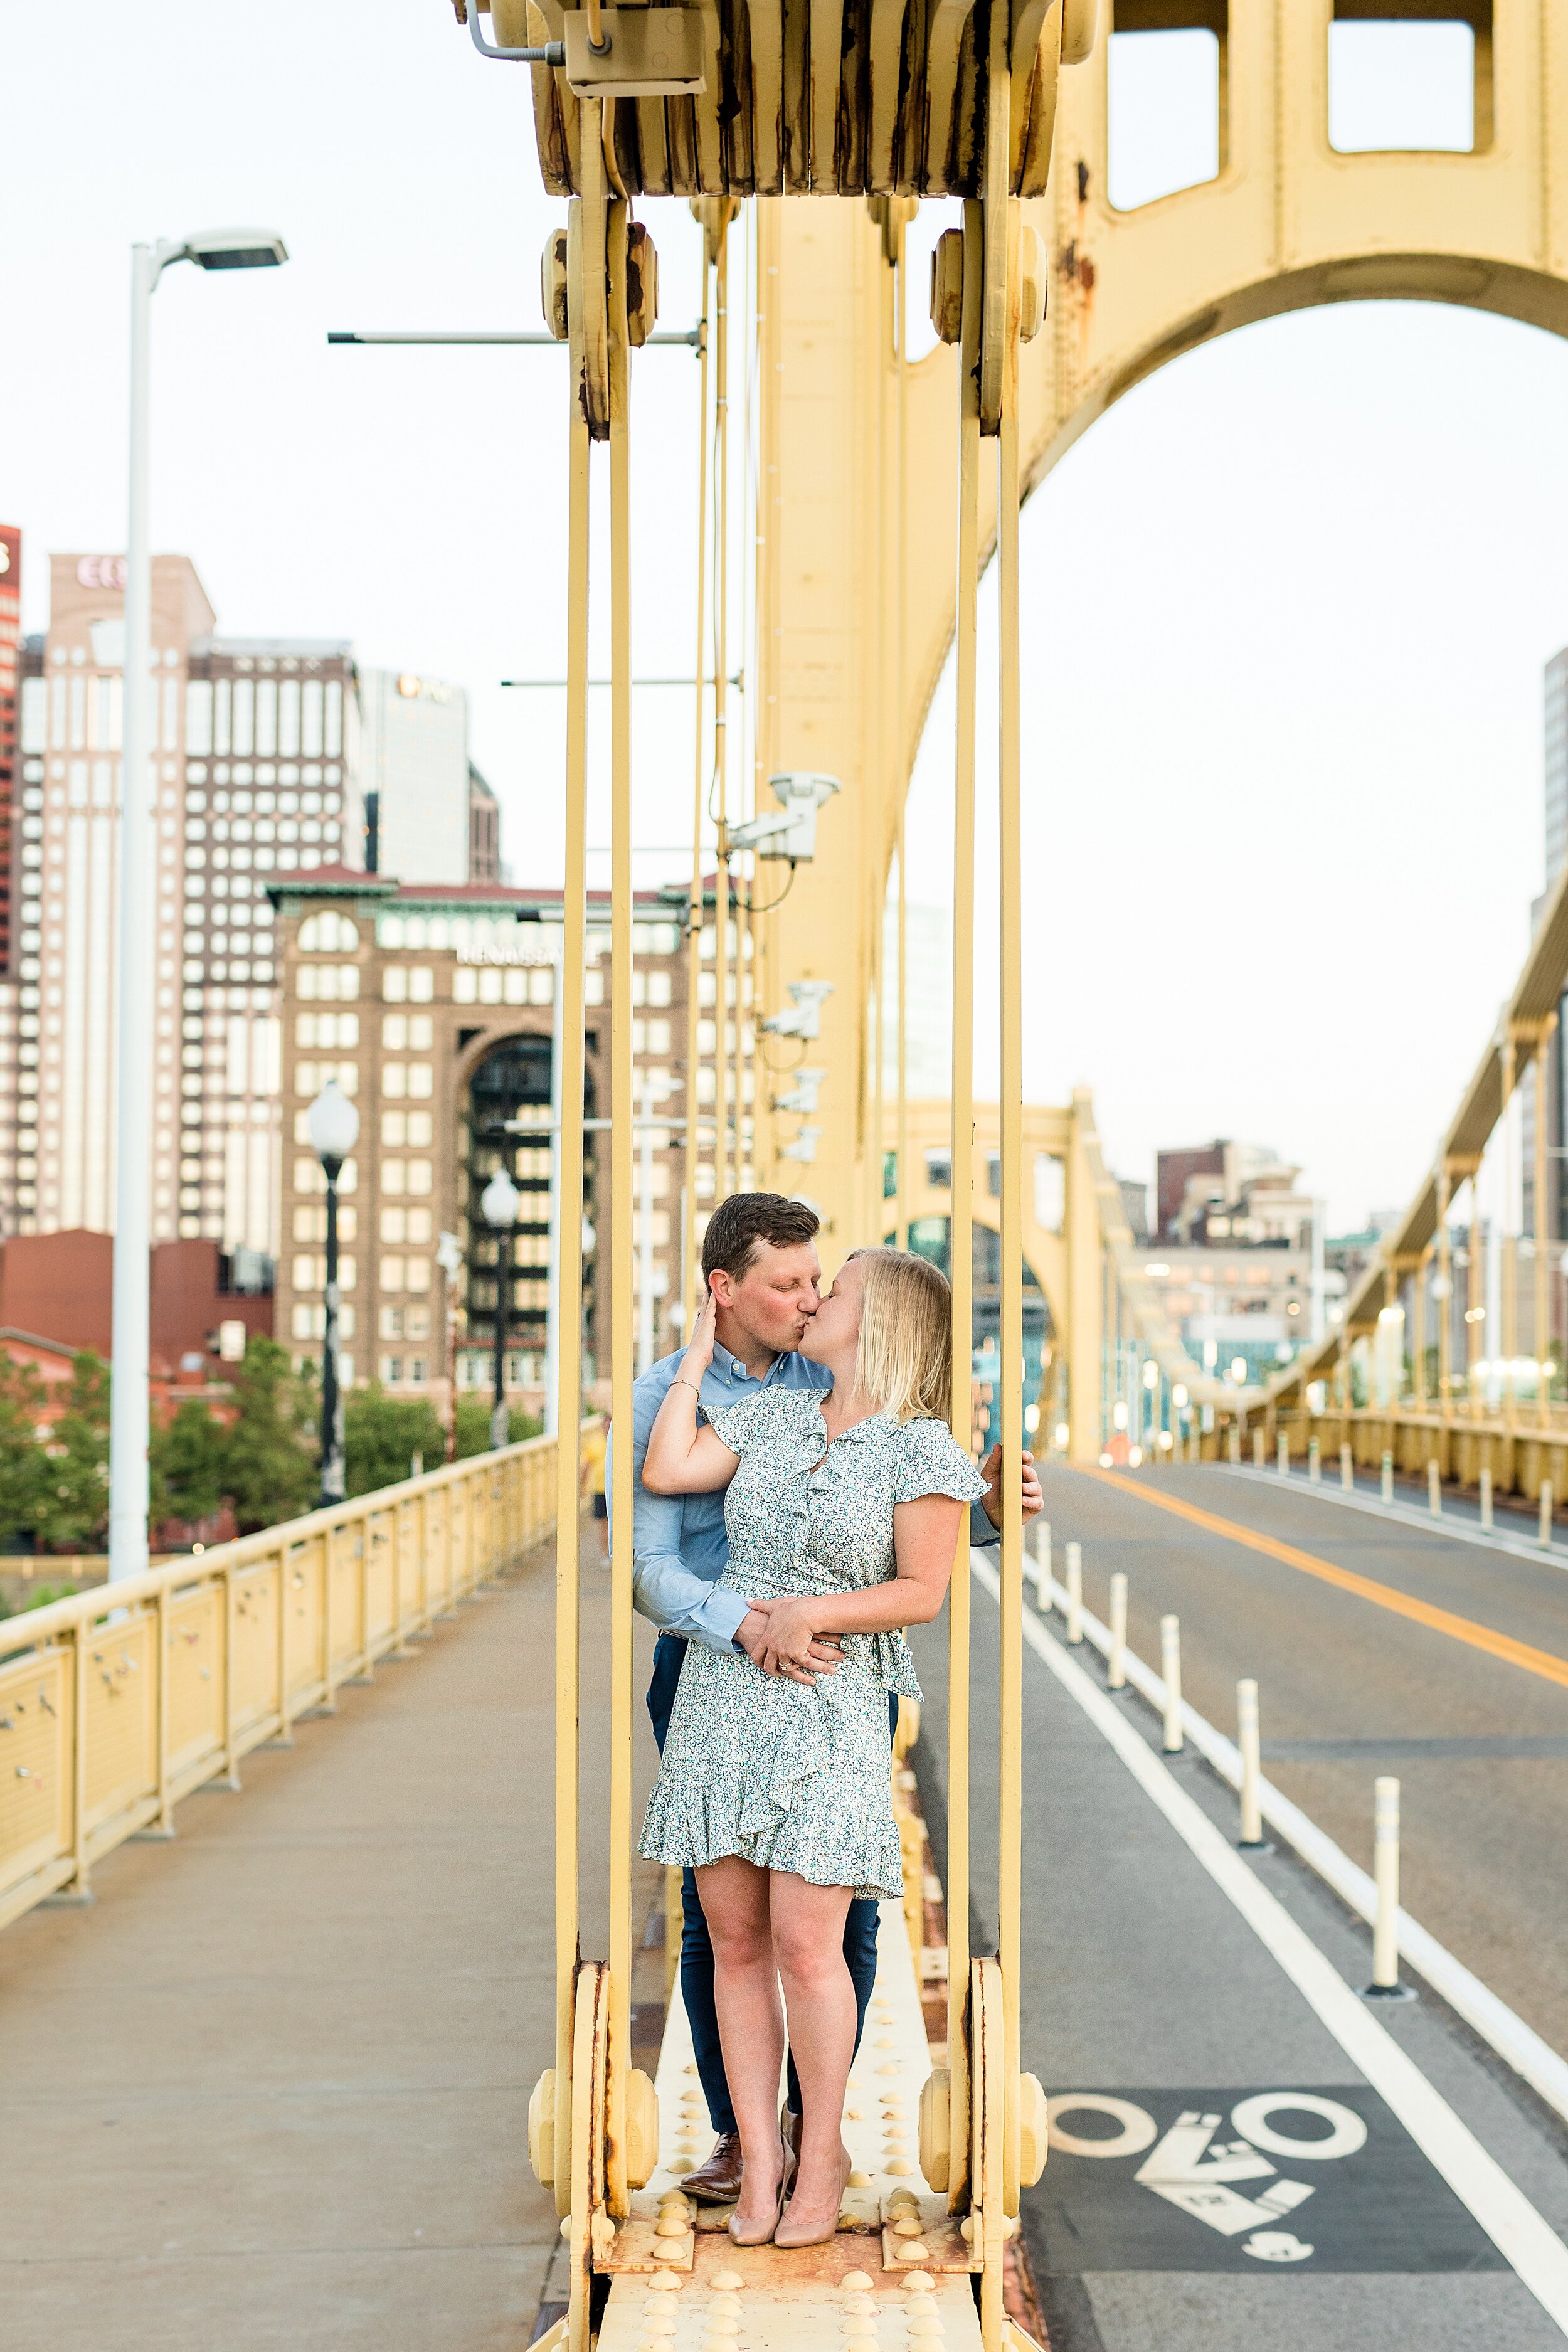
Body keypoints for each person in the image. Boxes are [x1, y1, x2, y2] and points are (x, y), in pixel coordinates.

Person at [627, 1192, 1041, 2210]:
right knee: (721, 1931)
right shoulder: (718, 1401)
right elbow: (651, 1554)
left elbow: (919, 1572)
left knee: (828, 1938)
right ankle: (749, 2149)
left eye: (828, 1283)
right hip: (715, 1678)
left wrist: (982, 1507)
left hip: (827, 1693)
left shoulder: (877, 1414)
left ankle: (821, 2148)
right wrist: (750, 1623)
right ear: (729, 1291)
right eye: (794, 1283)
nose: (812, 1297)